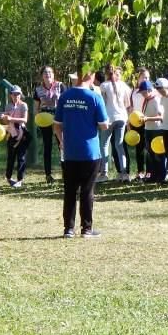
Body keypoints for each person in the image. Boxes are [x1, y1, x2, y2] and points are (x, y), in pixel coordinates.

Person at [53, 70, 109, 237]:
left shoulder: (64, 96)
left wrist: (62, 141)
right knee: (87, 191)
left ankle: (68, 229)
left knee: (69, 191)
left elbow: (56, 125)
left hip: (70, 152)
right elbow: (104, 124)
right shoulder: (94, 97)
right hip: (90, 152)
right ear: (90, 77)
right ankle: (86, 229)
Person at [100, 65, 132, 181]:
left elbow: (102, 104)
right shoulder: (124, 85)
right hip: (122, 118)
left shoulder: (103, 86)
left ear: (106, 73)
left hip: (109, 119)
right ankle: (124, 173)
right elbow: (128, 104)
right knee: (120, 146)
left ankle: (104, 173)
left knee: (104, 145)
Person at [34, 67, 65, 183]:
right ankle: (48, 175)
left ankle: (65, 172)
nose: (48, 74)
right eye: (45, 72)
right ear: (42, 75)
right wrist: (38, 118)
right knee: (47, 146)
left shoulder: (60, 86)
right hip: (45, 119)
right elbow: (36, 108)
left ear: (53, 74)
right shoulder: (38, 90)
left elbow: (66, 101)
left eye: (50, 72)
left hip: (59, 118)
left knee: (61, 145)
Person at [1, 85, 30, 188]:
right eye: (14, 94)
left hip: (22, 133)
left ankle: (20, 179)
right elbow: (5, 120)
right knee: (10, 157)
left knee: (21, 157)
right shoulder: (8, 106)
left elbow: (25, 120)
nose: (16, 96)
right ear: (10, 95)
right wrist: (4, 117)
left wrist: (10, 119)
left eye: (18, 94)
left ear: (20, 95)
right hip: (11, 133)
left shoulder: (24, 105)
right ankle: (8, 178)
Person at [129, 80, 153, 181]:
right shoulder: (133, 92)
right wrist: (128, 122)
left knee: (149, 149)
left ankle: (149, 173)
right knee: (139, 149)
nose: (145, 78)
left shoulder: (152, 93)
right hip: (136, 122)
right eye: (143, 77)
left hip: (148, 122)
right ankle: (140, 172)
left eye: (147, 76)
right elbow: (130, 108)